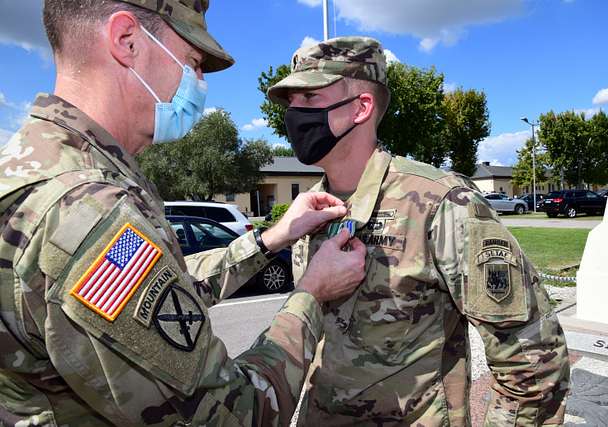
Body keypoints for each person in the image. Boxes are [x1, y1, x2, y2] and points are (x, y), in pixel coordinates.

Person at [0, 1, 368, 425]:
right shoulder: (88, 213)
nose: (198, 82)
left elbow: (169, 299)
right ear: (127, 40)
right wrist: (311, 295)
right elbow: (234, 414)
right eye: (193, 62)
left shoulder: (35, 167)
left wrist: (270, 240)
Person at [267, 36, 571, 426]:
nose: (294, 115)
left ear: (361, 107)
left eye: (309, 99)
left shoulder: (441, 202)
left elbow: (532, 360)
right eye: (290, 103)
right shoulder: (308, 211)